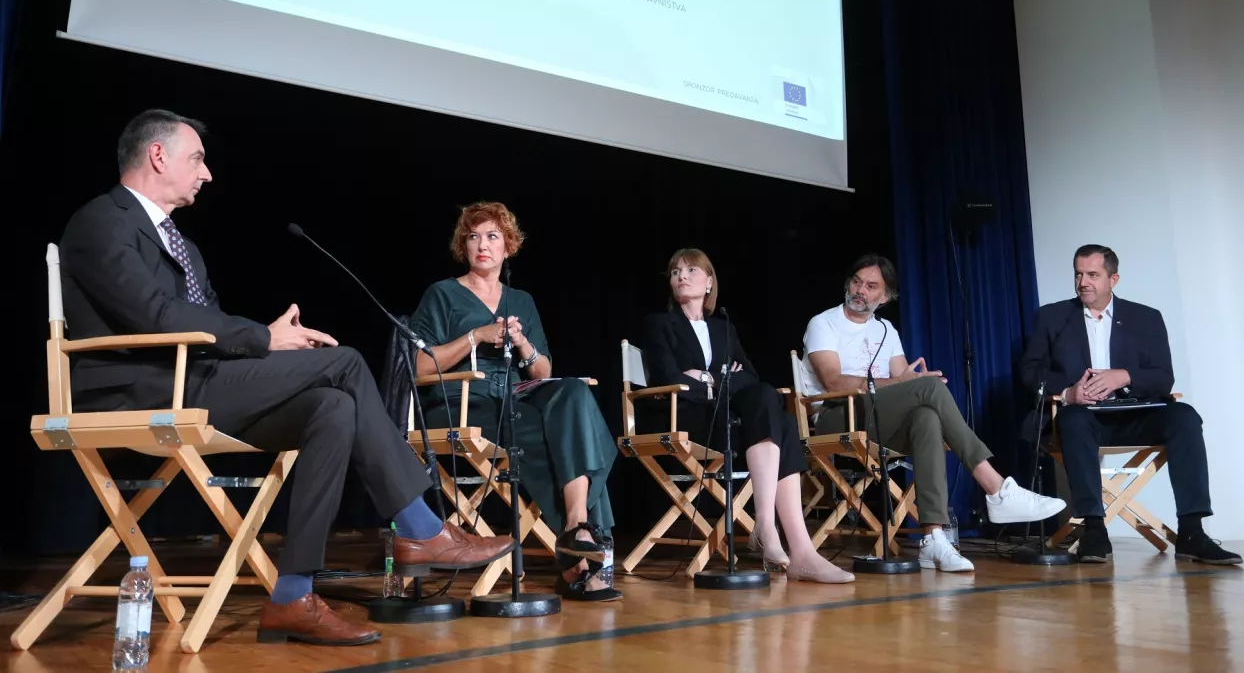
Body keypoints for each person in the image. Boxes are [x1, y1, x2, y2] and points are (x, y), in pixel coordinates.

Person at [59, 109, 514, 646]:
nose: (207, 174)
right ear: (158, 156)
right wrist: (265, 339)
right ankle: (419, 528)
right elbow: (155, 317)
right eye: (197, 159)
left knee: (334, 407)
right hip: (141, 391)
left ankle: (292, 596)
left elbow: (200, 332)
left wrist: (267, 350)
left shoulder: (185, 246)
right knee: (344, 361)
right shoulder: (102, 222)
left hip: (194, 382)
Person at [409, 202, 622, 602]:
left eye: (493, 236)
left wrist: (522, 343)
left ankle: (576, 527)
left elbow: (542, 372)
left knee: (575, 396)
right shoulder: (442, 294)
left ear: (508, 246)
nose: (482, 245)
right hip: (462, 404)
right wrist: (476, 336)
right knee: (570, 439)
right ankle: (583, 563)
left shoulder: (521, 300)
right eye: (473, 237)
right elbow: (421, 367)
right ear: (463, 245)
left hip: (512, 400)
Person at [800, 254, 1065, 572]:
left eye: (871, 286)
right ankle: (996, 488)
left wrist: (910, 381)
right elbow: (833, 380)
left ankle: (933, 539)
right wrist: (908, 382)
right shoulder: (824, 323)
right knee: (928, 389)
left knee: (925, 415)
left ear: (884, 297)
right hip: (836, 414)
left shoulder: (886, 330)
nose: (861, 290)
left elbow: (903, 383)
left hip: (876, 417)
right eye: (857, 282)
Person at [643, 248, 855, 584]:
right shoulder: (660, 324)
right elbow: (668, 378)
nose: (681, 276)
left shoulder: (724, 327)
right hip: (687, 421)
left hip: (731, 422)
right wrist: (721, 377)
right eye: (675, 272)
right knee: (780, 422)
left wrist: (706, 376)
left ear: (710, 282)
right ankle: (781, 538)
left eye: (691, 270)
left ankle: (790, 544)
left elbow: (750, 379)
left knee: (770, 403)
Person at [1019, 244, 1240, 565]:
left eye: (1093, 275)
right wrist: (1068, 393)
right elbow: (1029, 372)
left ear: (1114, 279)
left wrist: (1123, 376)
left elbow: (1164, 378)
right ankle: (1094, 530)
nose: (1084, 282)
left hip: (1136, 415)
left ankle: (1192, 531)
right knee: (1073, 420)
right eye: (1079, 274)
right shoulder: (1053, 317)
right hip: (1084, 417)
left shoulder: (1145, 317)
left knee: (1185, 416)